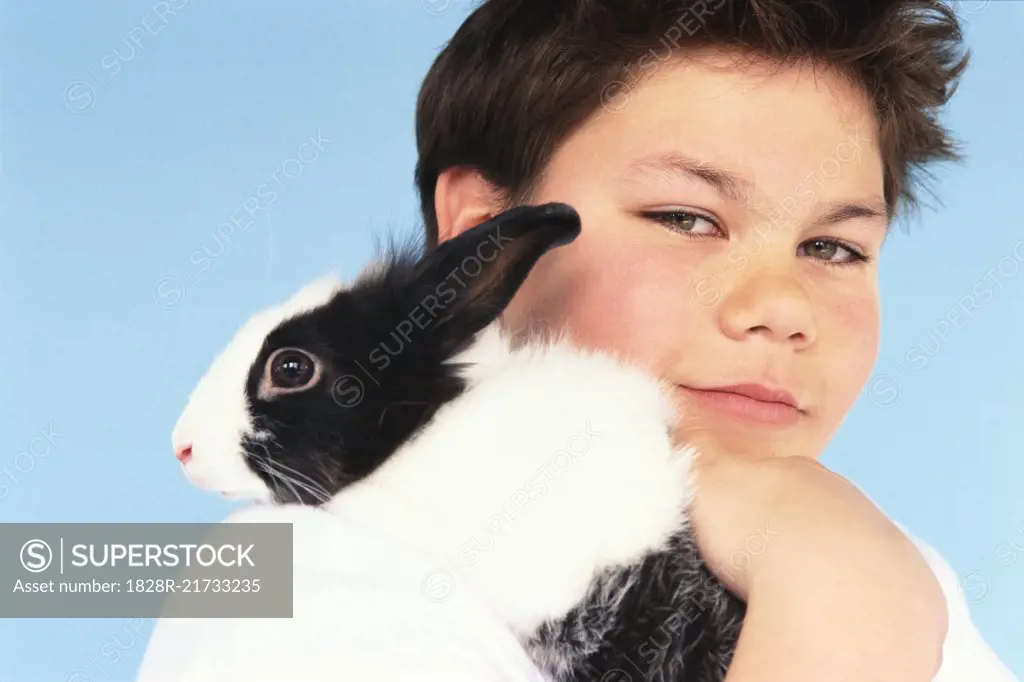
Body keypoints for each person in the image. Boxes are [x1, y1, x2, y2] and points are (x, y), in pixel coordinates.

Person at [136, 1, 1019, 680]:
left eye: (833, 247)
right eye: (688, 217)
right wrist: (838, 595)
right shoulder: (288, 583)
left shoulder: (875, 556)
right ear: (486, 236)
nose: (783, 308)